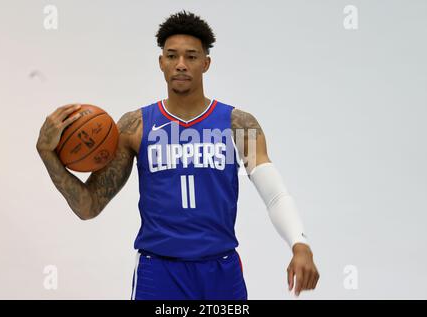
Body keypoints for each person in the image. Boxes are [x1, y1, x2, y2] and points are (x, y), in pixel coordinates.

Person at [36, 10, 319, 300]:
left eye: (191, 57)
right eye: (172, 56)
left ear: (206, 63)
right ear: (161, 62)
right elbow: (88, 206)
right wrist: (47, 153)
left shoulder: (238, 124)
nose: (180, 65)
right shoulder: (135, 127)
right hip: (158, 272)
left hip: (220, 271)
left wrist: (300, 243)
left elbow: (274, 194)